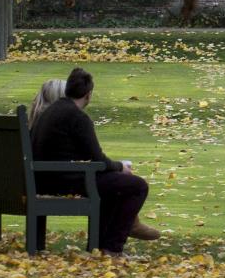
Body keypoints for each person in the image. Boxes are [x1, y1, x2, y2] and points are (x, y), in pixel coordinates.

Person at [30, 67, 158, 255]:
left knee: (111, 183)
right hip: (65, 183)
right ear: (88, 95)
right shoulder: (77, 117)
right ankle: (113, 245)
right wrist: (121, 166)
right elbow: (97, 159)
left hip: (45, 180)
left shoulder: (51, 112)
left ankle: (104, 244)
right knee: (137, 186)